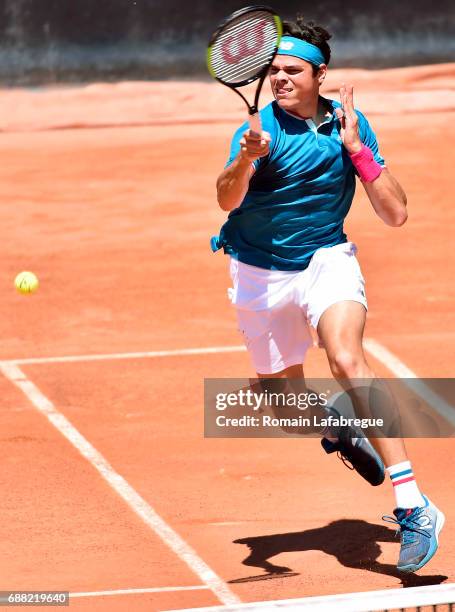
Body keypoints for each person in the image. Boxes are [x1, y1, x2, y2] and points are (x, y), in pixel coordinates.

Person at [211, 16, 444, 573]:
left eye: (293, 71)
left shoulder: (349, 124)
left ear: (320, 74)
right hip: (258, 272)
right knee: (284, 403)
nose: (280, 80)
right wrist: (246, 158)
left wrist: (358, 150)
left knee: (346, 357)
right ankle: (336, 426)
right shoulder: (258, 130)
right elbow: (225, 201)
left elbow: (396, 213)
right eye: (273, 72)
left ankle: (413, 506)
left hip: (324, 259)